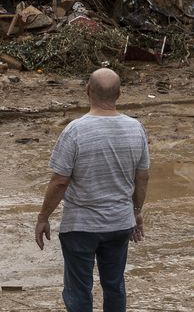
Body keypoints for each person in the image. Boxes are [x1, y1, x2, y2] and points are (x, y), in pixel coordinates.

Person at [35, 68, 150, 312]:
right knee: (114, 285)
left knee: (78, 290)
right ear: (119, 94)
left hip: (80, 227)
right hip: (120, 223)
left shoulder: (75, 130)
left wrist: (43, 217)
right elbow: (142, 177)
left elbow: (59, 182)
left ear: (87, 91)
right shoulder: (135, 128)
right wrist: (136, 212)